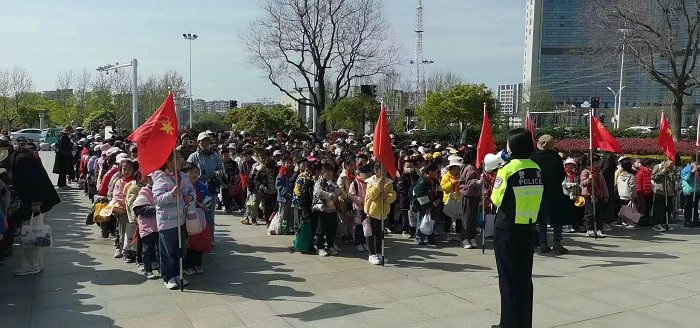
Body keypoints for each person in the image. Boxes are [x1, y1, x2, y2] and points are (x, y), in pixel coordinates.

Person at [490, 128, 544, 328]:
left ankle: (508, 324)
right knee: (524, 280)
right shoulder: (536, 168)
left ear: (512, 146)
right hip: (528, 228)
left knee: (508, 281)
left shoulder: (508, 169)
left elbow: (495, 198)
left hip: (507, 229)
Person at [0, 139, 61, 275]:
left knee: (32, 232)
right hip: (35, 201)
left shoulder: (21, 161)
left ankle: (32, 265)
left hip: (34, 202)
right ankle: (36, 264)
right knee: (34, 231)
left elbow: (34, 183)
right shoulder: (22, 158)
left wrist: (35, 202)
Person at [152, 151, 195, 289]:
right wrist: (171, 195)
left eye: (180, 157)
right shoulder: (160, 179)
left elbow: (191, 190)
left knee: (180, 249)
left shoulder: (182, 176)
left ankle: (178, 273)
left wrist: (191, 197)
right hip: (167, 221)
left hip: (181, 220)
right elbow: (158, 200)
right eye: (176, 158)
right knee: (168, 251)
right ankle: (168, 276)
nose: (180, 160)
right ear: (168, 162)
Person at [530, 135, 569, 254]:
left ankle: (543, 243)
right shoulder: (555, 157)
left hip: (539, 191)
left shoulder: (533, 157)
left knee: (542, 218)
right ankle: (557, 241)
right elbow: (562, 174)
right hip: (555, 190)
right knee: (557, 217)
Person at [187, 132, 223, 245]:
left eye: (207, 141)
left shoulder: (215, 156)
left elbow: (221, 168)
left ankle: (210, 238)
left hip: (210, 189)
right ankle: (195, 238)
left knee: (209, 214)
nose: (206, 143)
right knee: (195, 213)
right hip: (196, 188)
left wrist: (219, 173)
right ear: (198, 142)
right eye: (203, 141)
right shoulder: (193, 156)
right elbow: (187, 170)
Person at [364, 163, 397, 265]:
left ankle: (379, 252)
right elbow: (372, 195)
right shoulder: (370, 182)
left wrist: (386, 197)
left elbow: (393, 195)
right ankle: (371, 254)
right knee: (371, 234)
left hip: (382, 213)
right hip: (372, 212)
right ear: (376, 170)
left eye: (385, 170)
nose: (384, 173)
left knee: (379, 234)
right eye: (381, 170)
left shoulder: (388, 183)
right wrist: (379, 185)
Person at [313, 163, 341, 256]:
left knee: (331, 229)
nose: (330, 176)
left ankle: (330, 246)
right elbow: (318, 192)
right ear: (322, 173)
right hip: (323, 210)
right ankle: (320, 247)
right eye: (327, 174)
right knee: (321, 229)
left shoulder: (333, 181)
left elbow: (338, 190)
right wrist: (329, 195)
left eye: (331, 174)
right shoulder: (319, 182)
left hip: (332, 209)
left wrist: (334, 195)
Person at [412, 163, 441, 246]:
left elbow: (439, 190)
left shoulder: (434, 181)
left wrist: (437, 200)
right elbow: (420, 195)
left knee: (432, 221)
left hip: (433, 203)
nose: (437, 173)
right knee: (421, 220)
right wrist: (427, 206)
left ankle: (429, 236)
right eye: (436, 172)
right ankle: (419, 237)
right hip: (422, 205)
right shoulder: (421, 182)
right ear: (430, 172)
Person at [581, 154, 609, 238]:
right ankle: (589, 229)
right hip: (589, 195)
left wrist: (606, 195)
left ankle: (598, 229)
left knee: (599, 213)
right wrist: (589, 179)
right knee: (589, 213)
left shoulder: (599, 171)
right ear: (595, 162)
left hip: (599, 195)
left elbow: (603, 184)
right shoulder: (586, 171)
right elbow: (583, 183)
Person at [459, 147, 481, 249]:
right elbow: (469, 181)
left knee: (473, 218)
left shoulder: (473, 167)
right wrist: (478, 181)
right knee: (467, 218)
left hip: (475, 195)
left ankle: (471, 237)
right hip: (468, 195)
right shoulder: (469, 168)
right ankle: (464, 238)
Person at [651, 156, 677, 232]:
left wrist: (672, 171)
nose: (672, 162)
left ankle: (665, 222)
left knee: (668, 208)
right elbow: (653, 177)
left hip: (669, 192)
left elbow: (675, 179)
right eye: (671, 160)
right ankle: (656, 223)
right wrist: (663, 170)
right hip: (660, 191)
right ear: (666, 160)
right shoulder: (658, 166)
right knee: (659, 208)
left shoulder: (673, 168)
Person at [441, 155, 463, 243]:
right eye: (454, 169)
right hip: (448, 200)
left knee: (458, 217)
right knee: (448, 218)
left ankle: (458, 233)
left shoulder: (461, 176)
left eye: (458, 169)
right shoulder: (446, 176)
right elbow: (443, 187)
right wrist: (452, 183)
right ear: (450, 169)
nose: (456, 171)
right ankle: (447, 233)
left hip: (458, 199)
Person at [617, 156, 638, 227]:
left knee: (624, 208)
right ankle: (631, 222)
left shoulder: (620, 175)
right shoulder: (631, 176)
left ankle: (624, 221)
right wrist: (633, 197)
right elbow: (633, 187)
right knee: (630, 209)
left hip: (621, 195)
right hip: (629, 195)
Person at [679, 159, 700, 227]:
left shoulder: (698, 169)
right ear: (692, 162)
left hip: (696, 190)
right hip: (689, 190)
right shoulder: (686, 169)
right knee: (688, 205)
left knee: (695, 206)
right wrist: (692, 171)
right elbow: (687, 179)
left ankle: (695, 218)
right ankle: (687, 219)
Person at [635, 159, 653, 225]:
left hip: (649, 192)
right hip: (643, 193)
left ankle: (646, 219)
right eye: (652, 165)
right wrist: (639, 194)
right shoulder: (641, 172)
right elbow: (638, 184)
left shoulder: (649, 172)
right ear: (648, 165)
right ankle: (642, 220)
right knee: (643, 208)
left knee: (648, 207)